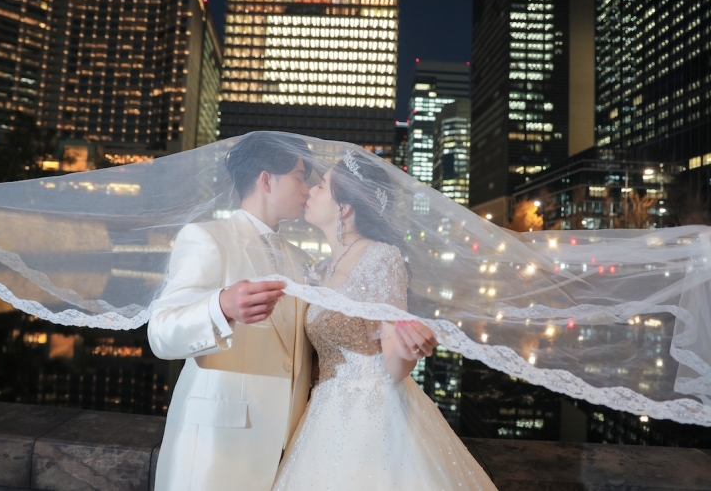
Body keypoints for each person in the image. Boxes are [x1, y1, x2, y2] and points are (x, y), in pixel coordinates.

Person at [272, 151, 498, 490]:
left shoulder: (381, 257)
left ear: (344, 207)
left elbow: (392, 363)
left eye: (321, 186)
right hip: (323, 414)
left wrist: (409, 346)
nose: (311, 191)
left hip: (372, 416)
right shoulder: (321, 269)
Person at [147, 132, 315, 491]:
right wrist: (221, 306)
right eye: (300, 177)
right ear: (266, 179)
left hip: (290, 454)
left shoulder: (304, 261)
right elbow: (160, 334)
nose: (307, 190)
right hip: (216, 451)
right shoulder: (208, 238)